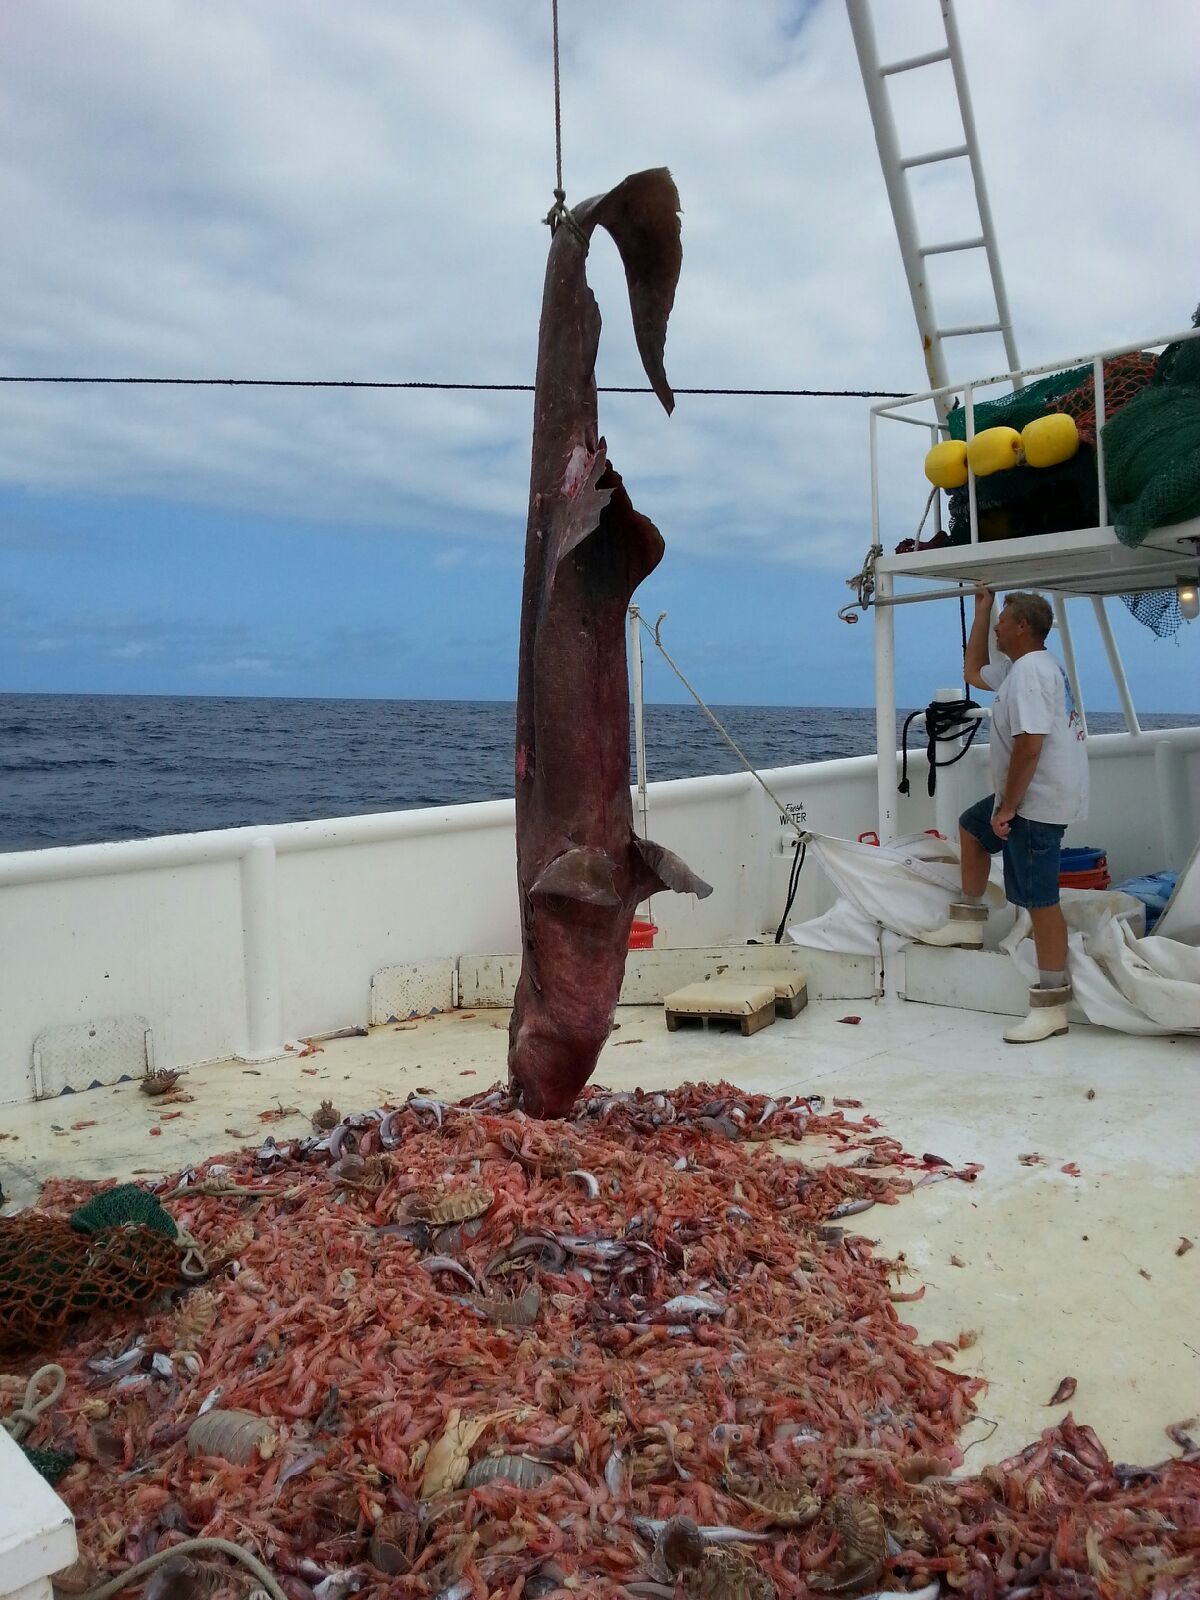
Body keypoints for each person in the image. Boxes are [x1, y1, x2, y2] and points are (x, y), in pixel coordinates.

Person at [919, 587, 1088, 1043]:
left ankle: (1052, 1004)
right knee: (972, 828)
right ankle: (966, 922)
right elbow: (974, 671)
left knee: (1040, 900)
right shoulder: (1023, 668)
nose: (997, 627)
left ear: (1022, 627)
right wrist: (982, 609)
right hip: (1026, 797)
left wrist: (1010, 807)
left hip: (1036, 803)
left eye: (1002, 619)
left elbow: (1030, 746)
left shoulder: (1031, 672)